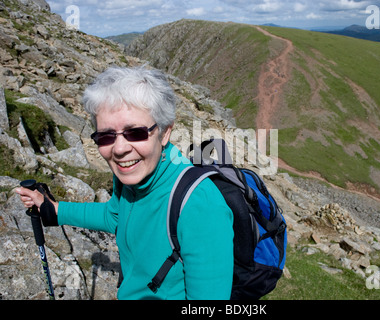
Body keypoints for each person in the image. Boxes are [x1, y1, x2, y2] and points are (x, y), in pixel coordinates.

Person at [16, 66, 234, 300]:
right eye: (106, 136)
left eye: (136, 133)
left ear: (165, 132)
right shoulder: (131, 176)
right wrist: (54, 209)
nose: (119, 149)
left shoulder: (200, 204)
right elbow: (114, 216)